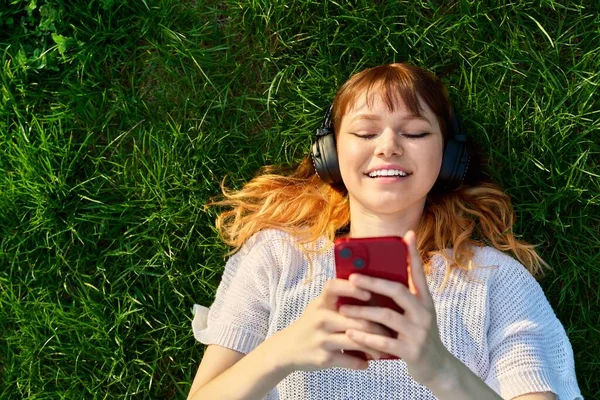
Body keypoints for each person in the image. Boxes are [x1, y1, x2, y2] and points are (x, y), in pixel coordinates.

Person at [187, 63, 582, 399]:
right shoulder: (276, 257)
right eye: (365, 133)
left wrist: (439, 367)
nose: (388, 146)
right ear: (329, 154)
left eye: (414, 132)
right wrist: (282, 352)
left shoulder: (496, 281)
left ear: (448, 157)